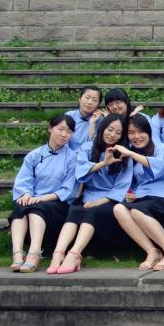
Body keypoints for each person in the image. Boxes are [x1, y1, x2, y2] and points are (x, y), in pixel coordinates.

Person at [47, 114, 132, 274]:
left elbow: (122, 186)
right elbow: (80, 172)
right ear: (102, 128)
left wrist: (99, 202)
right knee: (74, 211)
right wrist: (104, 163)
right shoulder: (87, 147)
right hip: (88, 195)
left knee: (92, 212)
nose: (113, 135)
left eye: (118, 132)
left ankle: (74, 254)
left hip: (109, 199)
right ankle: (58, 254)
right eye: (110, 129)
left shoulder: (124, 154)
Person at [9, 115, 78, 273]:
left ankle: (34, 253)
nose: (64, 134)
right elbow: (24, 180)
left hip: (58, 203)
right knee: (20, 206)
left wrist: (41, 198)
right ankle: (17, 253)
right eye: (60, 129)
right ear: (50, 129)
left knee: (37, 207)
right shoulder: (34, 155)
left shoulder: (73, 158)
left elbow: (69, 189)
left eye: (69, 132)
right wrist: (26, 194)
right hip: (34, 199)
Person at [112, 115, 164, 271]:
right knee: (118, 208)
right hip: (142, 198)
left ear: (149, 132)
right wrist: (130, 193)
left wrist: (131, 154)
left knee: (137, 211)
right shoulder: (129, 154)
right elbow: (128, 181)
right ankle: (152, 252)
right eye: (131, 133)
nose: (136, 136)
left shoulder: (162, 148)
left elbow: (159, 167)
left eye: (140, 131)